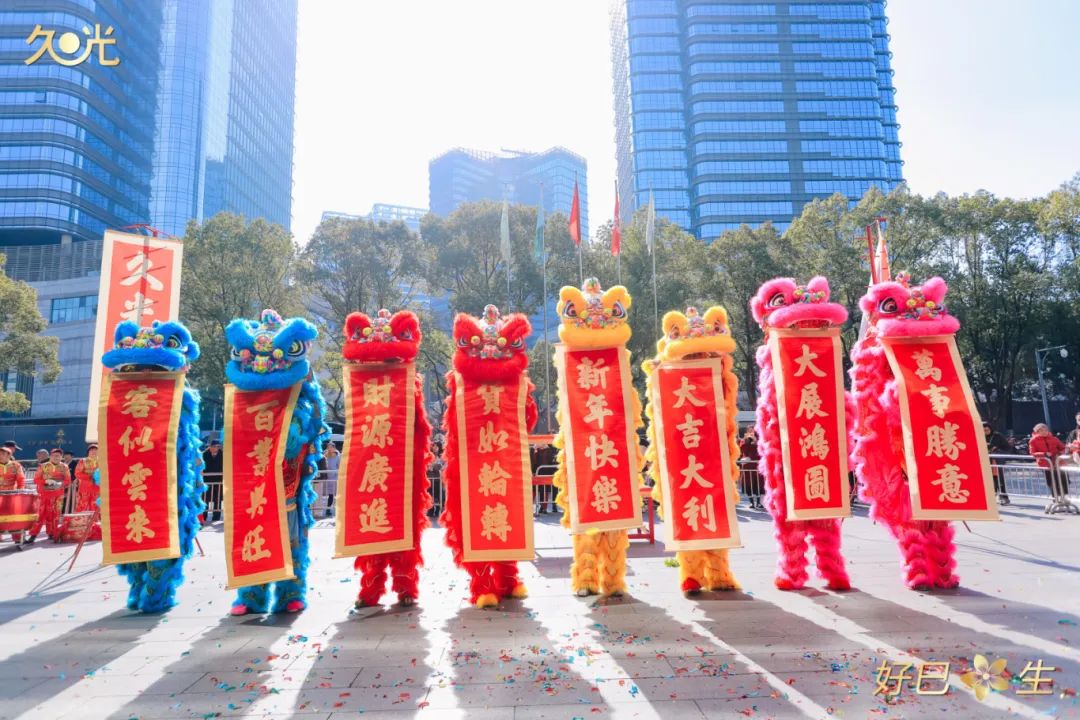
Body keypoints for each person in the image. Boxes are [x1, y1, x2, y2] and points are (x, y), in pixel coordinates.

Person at [28, 448, 71, 542]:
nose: (56, 457)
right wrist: (45, 481)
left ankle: (52, 533)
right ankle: (33, 535)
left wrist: (60, 483)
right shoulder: (43, 466)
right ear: (50, 456)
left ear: (61, 457)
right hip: (44, 494)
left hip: (58, 495)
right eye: (54, 456)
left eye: (58, 456)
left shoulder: (65, 467)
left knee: (55, 514)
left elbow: (68, 480)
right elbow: (36, 480)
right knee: (41, 514)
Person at [1028, 423, 1069, 497]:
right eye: (1041, 430)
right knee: (1052, 481)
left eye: (1045, 430)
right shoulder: (1033, 441)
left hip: (1058, 463)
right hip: (1045, 464)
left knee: (1064, 479)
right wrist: (1044, 454)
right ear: (1037, 432)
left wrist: (1060, 453)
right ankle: (1055, 497)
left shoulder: (1054, 438)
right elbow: (1032, 453)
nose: (1044, 432)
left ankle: (1064, 496)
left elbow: (1063, 448)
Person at [74, 444, 101, 540]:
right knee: (83, 507)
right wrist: (90, 477)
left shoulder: (102, 460)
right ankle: (81, 529)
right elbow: (77, 473)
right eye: (91, 450)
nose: (93, 452)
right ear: (88, 452)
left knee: (97, 508)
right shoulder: (83, 461)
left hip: (97, 489)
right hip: (85, 488)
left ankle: (96, 529)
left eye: (95, 450)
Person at [983, 422, 1012, 505]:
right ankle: (991, 498)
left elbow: (1007, 447)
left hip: (996, 461)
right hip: (985, 462)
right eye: (984, 430)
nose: (986, 432)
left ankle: (1004, 497)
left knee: (999, 479)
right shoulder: (980, 436)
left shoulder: (997, 436)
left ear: (990, 429)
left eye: (987, 430)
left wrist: (996, 448)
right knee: (989, 480)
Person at [738, 426, 763, 510]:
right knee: (748, 485)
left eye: (752, 431)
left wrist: (755, 441)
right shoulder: (744, 443)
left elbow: (761, 449)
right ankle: (752, 502)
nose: (751, 433)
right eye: (749, 431)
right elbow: (742, 449)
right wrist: (746, 440)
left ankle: (758, 502)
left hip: (756, 466)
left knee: (758, 485)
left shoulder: (758, 441)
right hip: (748, 467)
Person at [201, 438, 223, 520]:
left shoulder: (222, 454)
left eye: (217, 446)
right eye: (213, 446)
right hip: (206, 480)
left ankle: (216, 517)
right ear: (210, 446)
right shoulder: (204, 454)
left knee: (218, 498)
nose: (215, 448)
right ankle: (204, 516)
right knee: (205, 499)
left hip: (218, 480)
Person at [322, 440, 340, 517]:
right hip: (324, 477)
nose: (329, 448)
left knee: (331, 494)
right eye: (328, 447)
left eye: (331, 447)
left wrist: (338, 474)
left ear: (334, 447)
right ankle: (318, 509)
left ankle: (328, 509)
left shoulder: (337, 455)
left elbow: (339, 466)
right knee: (322, 494)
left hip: (333, 477)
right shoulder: (324, 454)